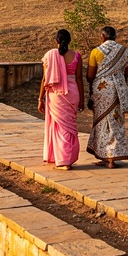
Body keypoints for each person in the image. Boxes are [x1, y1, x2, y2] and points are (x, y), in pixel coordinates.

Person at [86, 26, 128, 168]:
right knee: (116, 121)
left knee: (101, 122)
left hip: (101, 90)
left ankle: (106, 156)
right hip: (118, 89)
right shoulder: (122, 51)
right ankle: (113, 157)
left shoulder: (96, 52)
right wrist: (118, 81)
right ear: (115, 37)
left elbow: (90, 76)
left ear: (102, 36)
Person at [38, 29, 85, 170]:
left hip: (56, 94)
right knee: (69, 127)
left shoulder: (49, 55)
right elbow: (79, 78)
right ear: (69, 41)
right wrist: (82, 99)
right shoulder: (76, 56)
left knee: (60, 127)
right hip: (72, 93)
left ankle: (63, 161)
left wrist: (40, 98)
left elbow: (45, 79)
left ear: (56, 41)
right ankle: (67, 158)